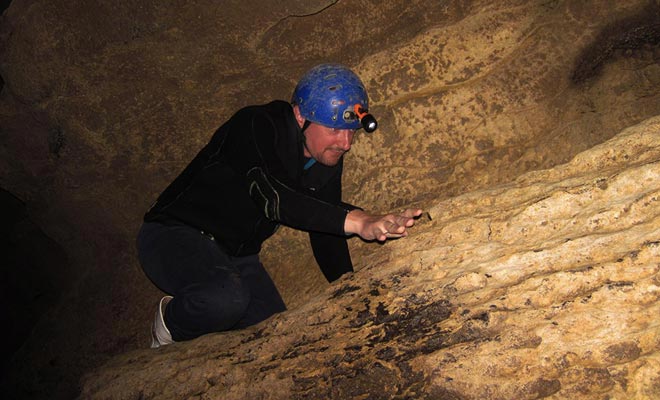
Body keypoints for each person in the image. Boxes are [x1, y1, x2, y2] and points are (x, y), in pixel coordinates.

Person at [137, 63, 422, 348]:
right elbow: (273, 196)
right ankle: (168, 325)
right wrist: (359, 221)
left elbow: (324, 227)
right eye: (335, 129)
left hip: (237, 258)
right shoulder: (256, 125)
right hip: (173, 235)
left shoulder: (325, 157)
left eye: (351, 131)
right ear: (300, 116)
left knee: (277, 341)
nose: (345, 143)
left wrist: (349, 290)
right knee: (226, 298)